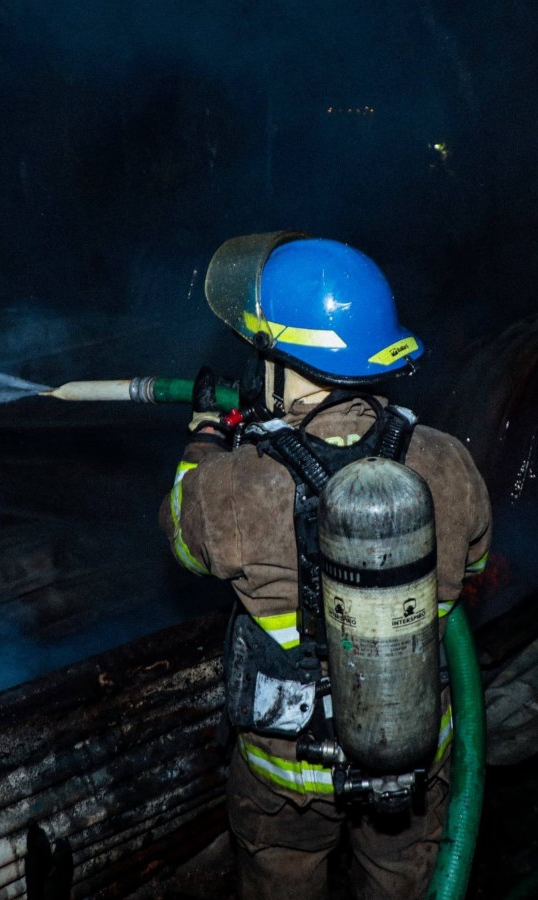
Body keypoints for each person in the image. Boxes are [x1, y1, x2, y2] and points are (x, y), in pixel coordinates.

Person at [159, 231, 491, 899]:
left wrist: (204, 437)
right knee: (400, 884)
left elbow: (181, 540)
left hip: (285, 777)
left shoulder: (233, 488)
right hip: (414, 755)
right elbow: (475, 563)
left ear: (282, 364)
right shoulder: (450, 462)